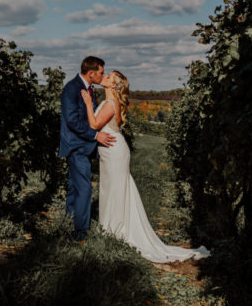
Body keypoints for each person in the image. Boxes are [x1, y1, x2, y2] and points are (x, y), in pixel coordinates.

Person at [80, 70, 210, 263]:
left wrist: (88, 105)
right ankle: (110, 230)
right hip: (111, 151)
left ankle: (115, 231)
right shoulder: (108, 102)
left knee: (115, 190)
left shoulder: (109, 104)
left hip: (114, 152)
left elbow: (94, 125)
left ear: (114, 86)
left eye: (108, 77)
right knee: (112, 190)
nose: (104, 77)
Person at [59, 56, 116, 242]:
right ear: (91, 73)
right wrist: (95, 136)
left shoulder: (88, 89)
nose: (103, 75)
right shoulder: (72, 88)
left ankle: (69, 221)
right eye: (101, 72)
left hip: (82, 145)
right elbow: (72, 120)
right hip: (76, 145)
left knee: (75, 186)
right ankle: (80, 233)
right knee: (84, 188)